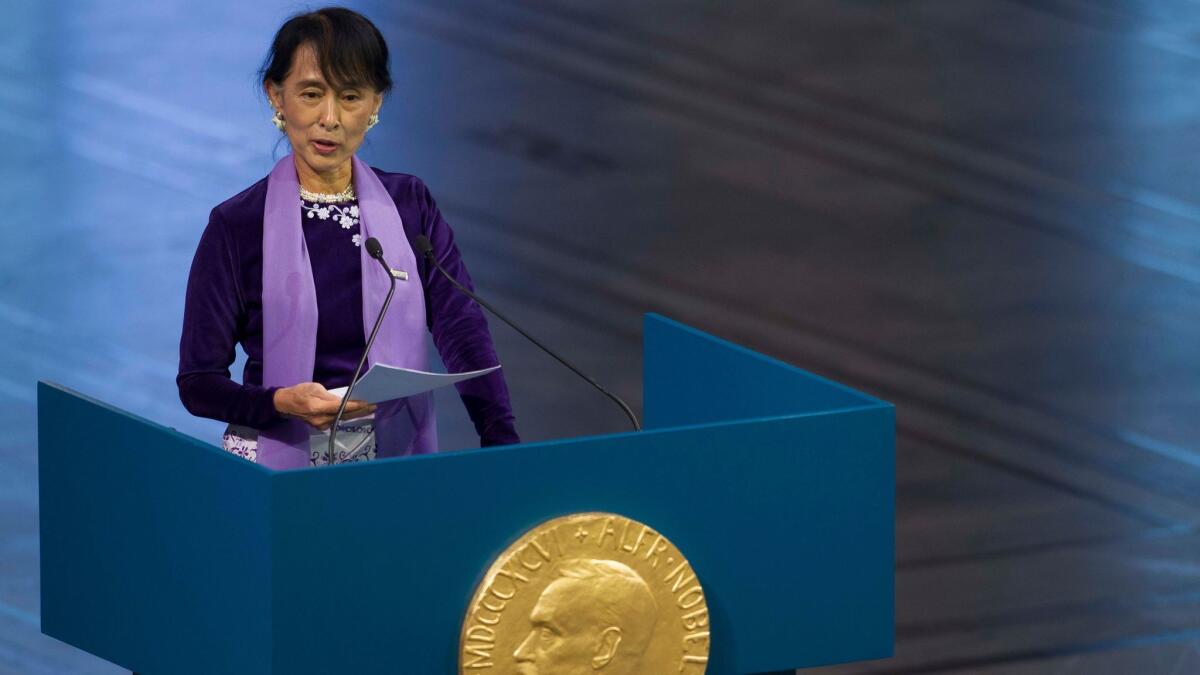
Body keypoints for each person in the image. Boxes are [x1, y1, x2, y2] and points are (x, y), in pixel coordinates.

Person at [176, 7, 519, 470]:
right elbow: (198, 382)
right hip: (274, 469)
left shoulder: (409, 203)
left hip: (390, 463)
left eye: (351, 96)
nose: (330, 118)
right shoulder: (236, 226)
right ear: (276, 96)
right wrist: (279, 403)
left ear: (376, 104)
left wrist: (503, 444)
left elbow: (462, 330)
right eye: (312, 94)